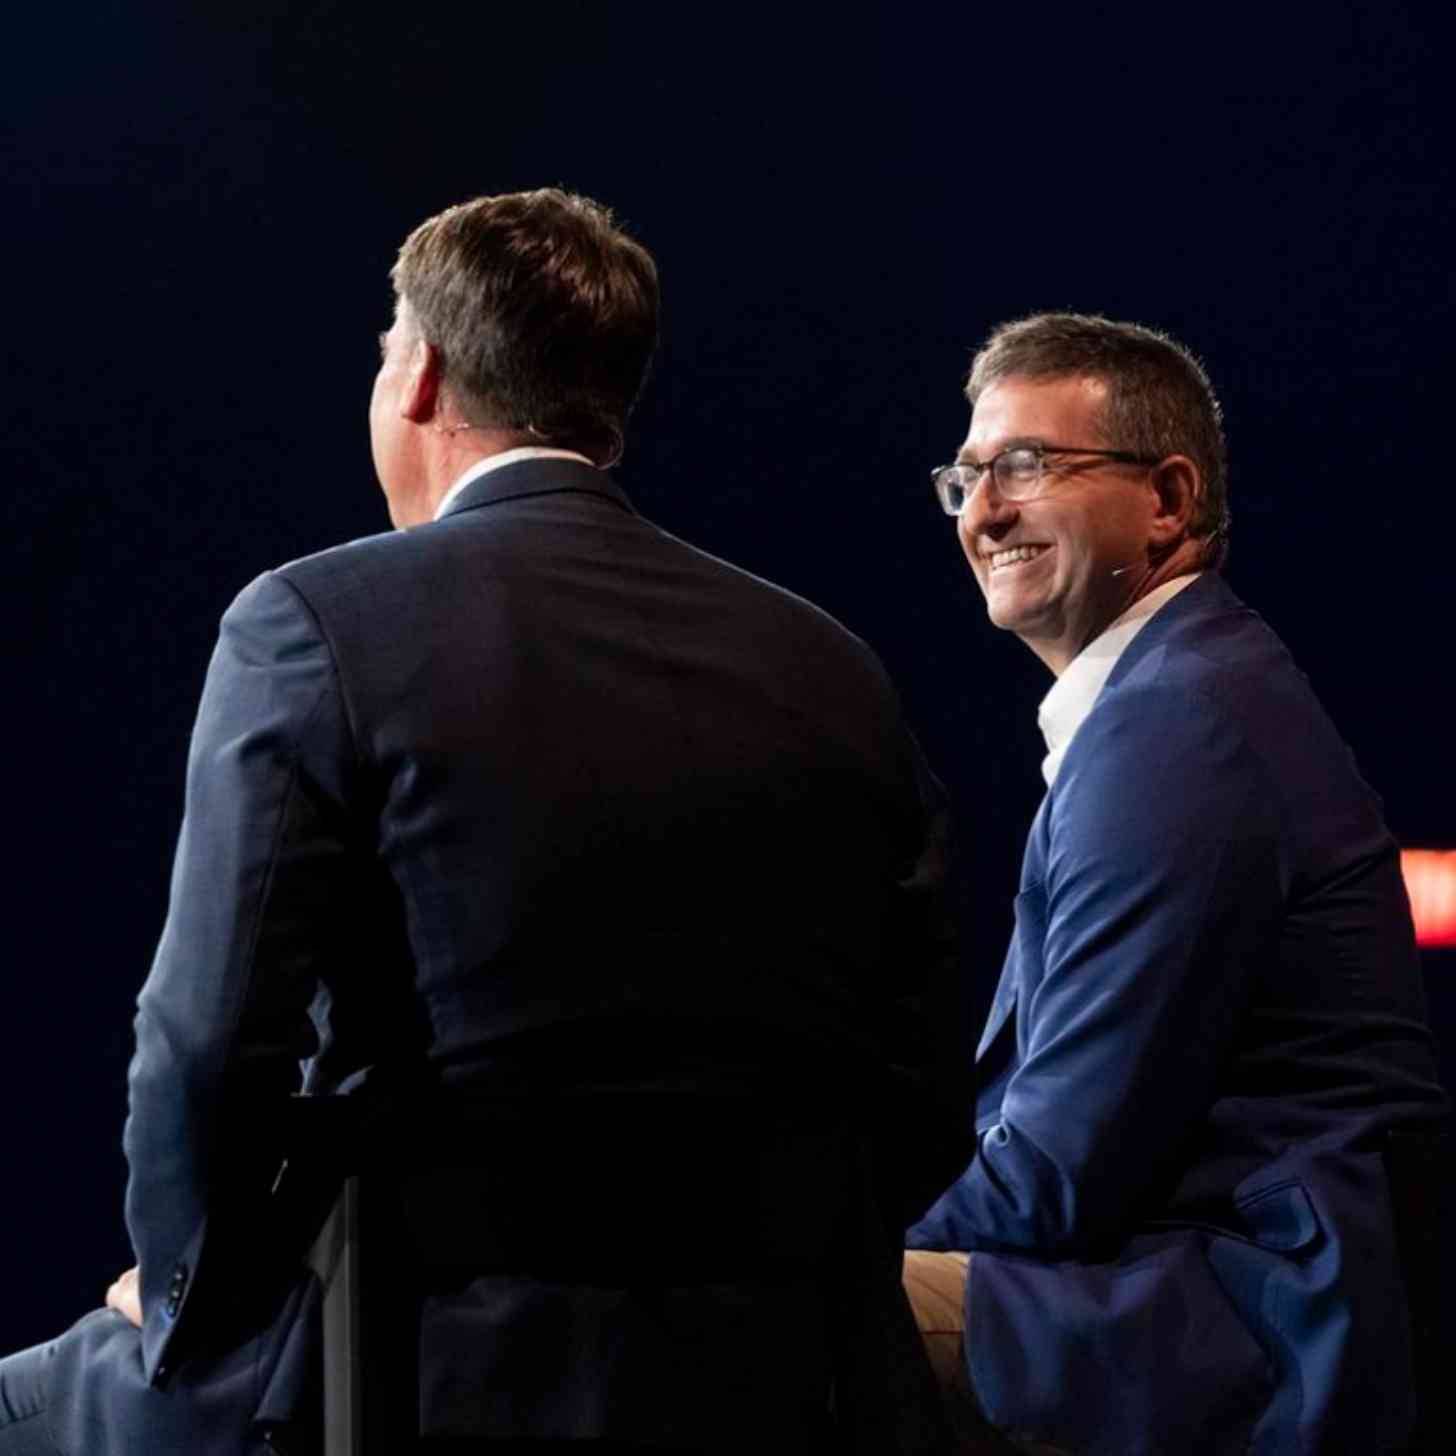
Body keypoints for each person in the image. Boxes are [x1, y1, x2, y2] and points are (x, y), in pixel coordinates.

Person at [0, 190, 961, 1456]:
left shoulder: (314, 622)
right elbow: (924, 1083)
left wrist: (189, 1299)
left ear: (423, 374)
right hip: (782, 1368)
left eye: (386, 344)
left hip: (420, 1361)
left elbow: (204, 1044)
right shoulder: (834, 665)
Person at [903, 313, 1449, 1455]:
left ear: (1167, 499)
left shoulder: (1178, 720)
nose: (985, 511)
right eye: (966, 476)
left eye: (1026, 465)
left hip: (1251, 1320)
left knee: (768, 1331)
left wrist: (831, 1255)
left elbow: (1056, 1171)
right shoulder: (1179, 691)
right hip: (1211, 1286)